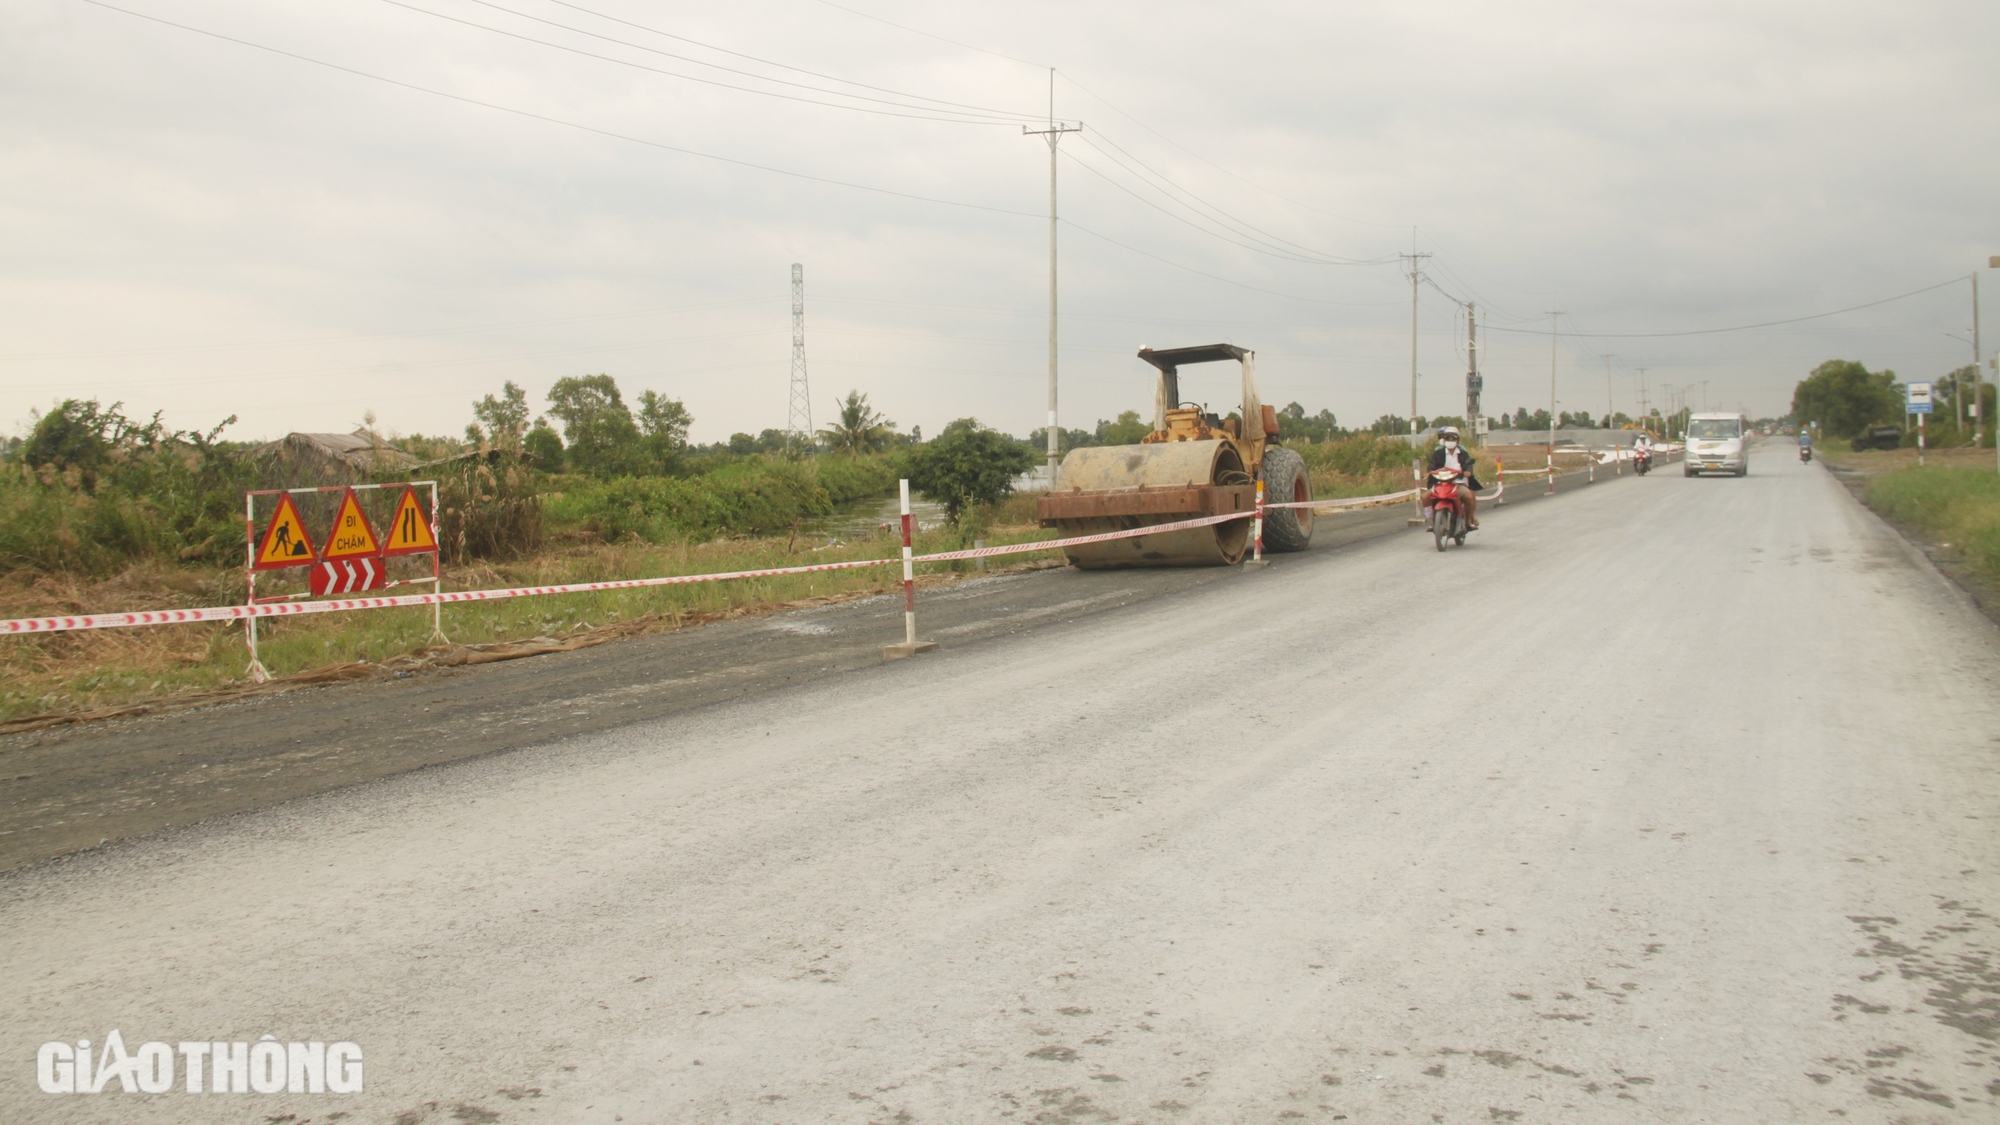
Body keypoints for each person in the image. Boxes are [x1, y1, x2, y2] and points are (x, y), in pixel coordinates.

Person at [1424, 426, 1481, 530]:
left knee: (1469, 497)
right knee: (1425, 498)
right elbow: (1431, 466)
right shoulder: (1437, 454)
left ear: (1457, 440)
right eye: (1447, 438)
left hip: (1458, 484)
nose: (1450, 441)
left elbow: (1468, 466)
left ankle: (1468, 522)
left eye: (1453, 438)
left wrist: (1468, 472)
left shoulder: (1463, 454)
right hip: (1440, 484)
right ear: (1443, 440)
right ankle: (1433, 522)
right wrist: (1429, 473)